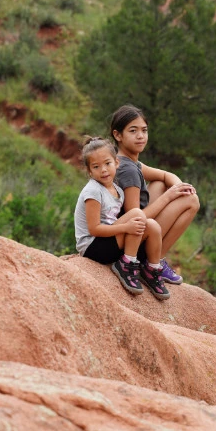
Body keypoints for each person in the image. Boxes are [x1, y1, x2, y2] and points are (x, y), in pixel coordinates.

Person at [110, 104, 199, 289]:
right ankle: (153, 262)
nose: (141, 136)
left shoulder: (129, 162)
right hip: (129, 239)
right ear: (118, 135)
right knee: (192, 202)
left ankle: (152, 258)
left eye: (144, 130)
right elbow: (135, 218)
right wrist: (171, 197)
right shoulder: (128, 170)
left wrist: (179, 187)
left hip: (133, 230)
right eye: (133, 131)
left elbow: (165, 175)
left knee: (160, 183)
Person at [74, 137, 170, 299]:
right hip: (93, 247)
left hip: (109, 240)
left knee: (152, 225)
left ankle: (152, 269)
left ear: (116, 163)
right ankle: (126, 264)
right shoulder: (93, 191)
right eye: (96, 167)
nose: (103, 170)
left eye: (107, 163)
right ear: (90, 172)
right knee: (137, 214)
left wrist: (128, 227)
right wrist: (126, 228)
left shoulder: (117, 189)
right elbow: (94, 229)